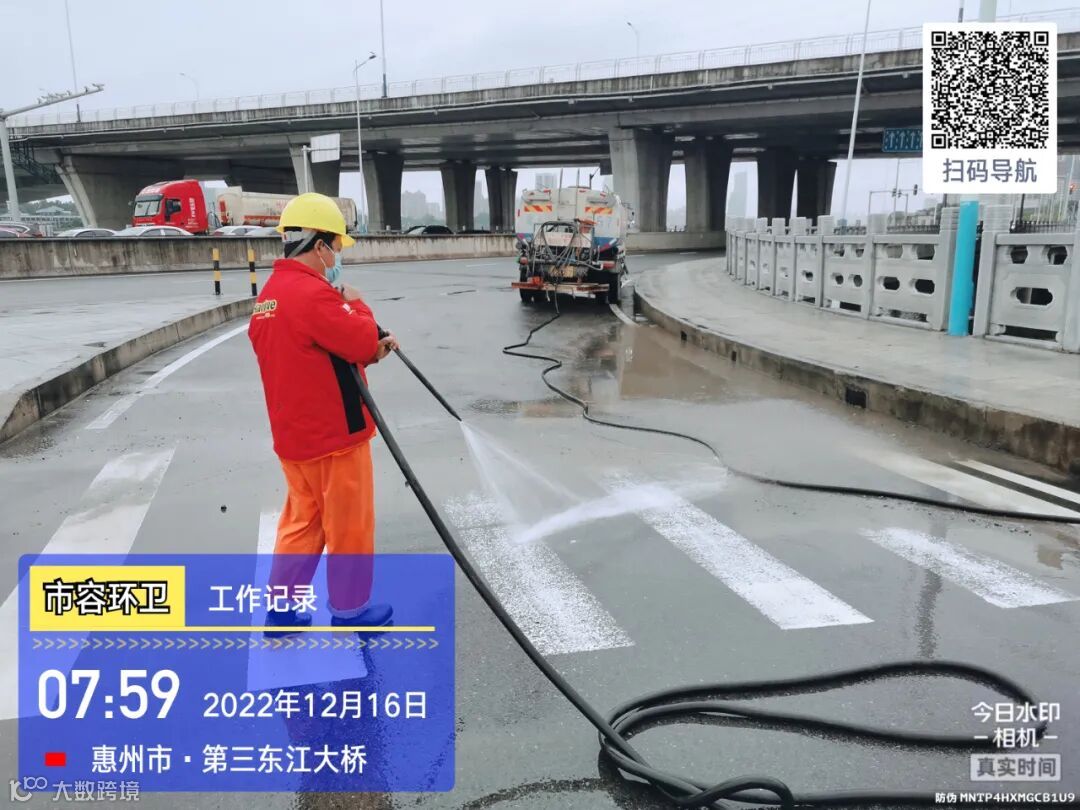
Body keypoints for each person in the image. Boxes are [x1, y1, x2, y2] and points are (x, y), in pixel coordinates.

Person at [248, 192, 398, 635]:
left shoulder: (269, 296)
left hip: (294, 439)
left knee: (302, 522)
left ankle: (282, 609)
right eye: (336, 246)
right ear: (319, 246)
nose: (337, 257)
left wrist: (366, 345)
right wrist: (359, 305)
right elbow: (359, 340)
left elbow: (317, 354)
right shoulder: (313, 294)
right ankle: (351, 610)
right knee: (349, 524)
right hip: (336, 436)